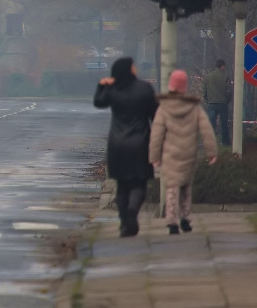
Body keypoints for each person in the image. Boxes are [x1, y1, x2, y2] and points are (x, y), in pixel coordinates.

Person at [94, 56, 158, 237]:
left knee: (122, 185)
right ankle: (132, 211)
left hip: (117, 144)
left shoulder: (113, 90)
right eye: (133, 66)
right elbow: (155, 114)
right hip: (140, 143)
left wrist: (102, 85)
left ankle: (124, 222)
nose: (136, 69)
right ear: (129, 70)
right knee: (139, 183)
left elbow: (99, 102)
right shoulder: (145, 89)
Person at [150, 69, 218, 235]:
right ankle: (186, 218)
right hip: (188, 153)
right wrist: (211, 152)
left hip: (169, 154)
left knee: (172, 187)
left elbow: (157, 133)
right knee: (186, 186)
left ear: (171, 85)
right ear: (185, 86)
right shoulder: (194, 107)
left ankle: (172, 221)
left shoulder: (164, 108)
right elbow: (206, 129)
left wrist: (154, 156)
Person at [203, 59, 231, 146]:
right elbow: (228, 91)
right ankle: (225, 142)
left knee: (211, 124)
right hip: (223, 103)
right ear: (222, 66)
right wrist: (228, 100)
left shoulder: (208, 76)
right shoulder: (226, 76)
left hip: (212, 103)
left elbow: (205, 91)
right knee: (224, 124)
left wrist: (207, 100)